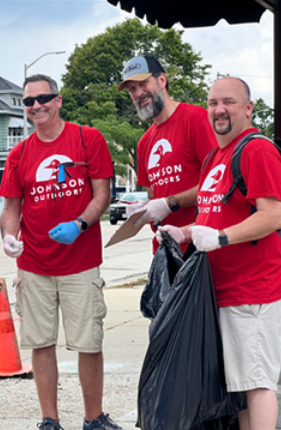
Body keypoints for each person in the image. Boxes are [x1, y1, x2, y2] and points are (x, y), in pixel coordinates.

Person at [0, 74, 121, 430]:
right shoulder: (20, 153)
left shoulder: (87, 138)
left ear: (59, 100)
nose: (36, 106)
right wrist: (9, 236)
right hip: (34, 264)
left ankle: (93, 418)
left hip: (80, 263)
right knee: (41, 343)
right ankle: (49, 420)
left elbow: (102, 195)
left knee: (88, 342)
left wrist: (80, 224)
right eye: (29, 102)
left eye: (43, 98)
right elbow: (11, 207)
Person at [159, 77, 281, 430]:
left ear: (247, 108)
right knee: (238, 388)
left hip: (252, 292)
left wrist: (222, 239)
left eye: (228, 102)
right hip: (217, 292)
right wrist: (181, 232)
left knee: (257, 383)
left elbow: (273, 215)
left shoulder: (256, 149)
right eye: (212, 103)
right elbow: (211, 213)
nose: (218, 110)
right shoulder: (214, 155)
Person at [117, 56, 217, 253]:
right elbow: (154, 196)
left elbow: (219, 184)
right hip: (165, 250)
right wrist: (142, 210)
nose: (139, 93)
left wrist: (169, 203)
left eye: (143, 83)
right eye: (132, 89)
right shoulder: (144, 142)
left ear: (162, 80)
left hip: (201, 249)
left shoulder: (196, 120)